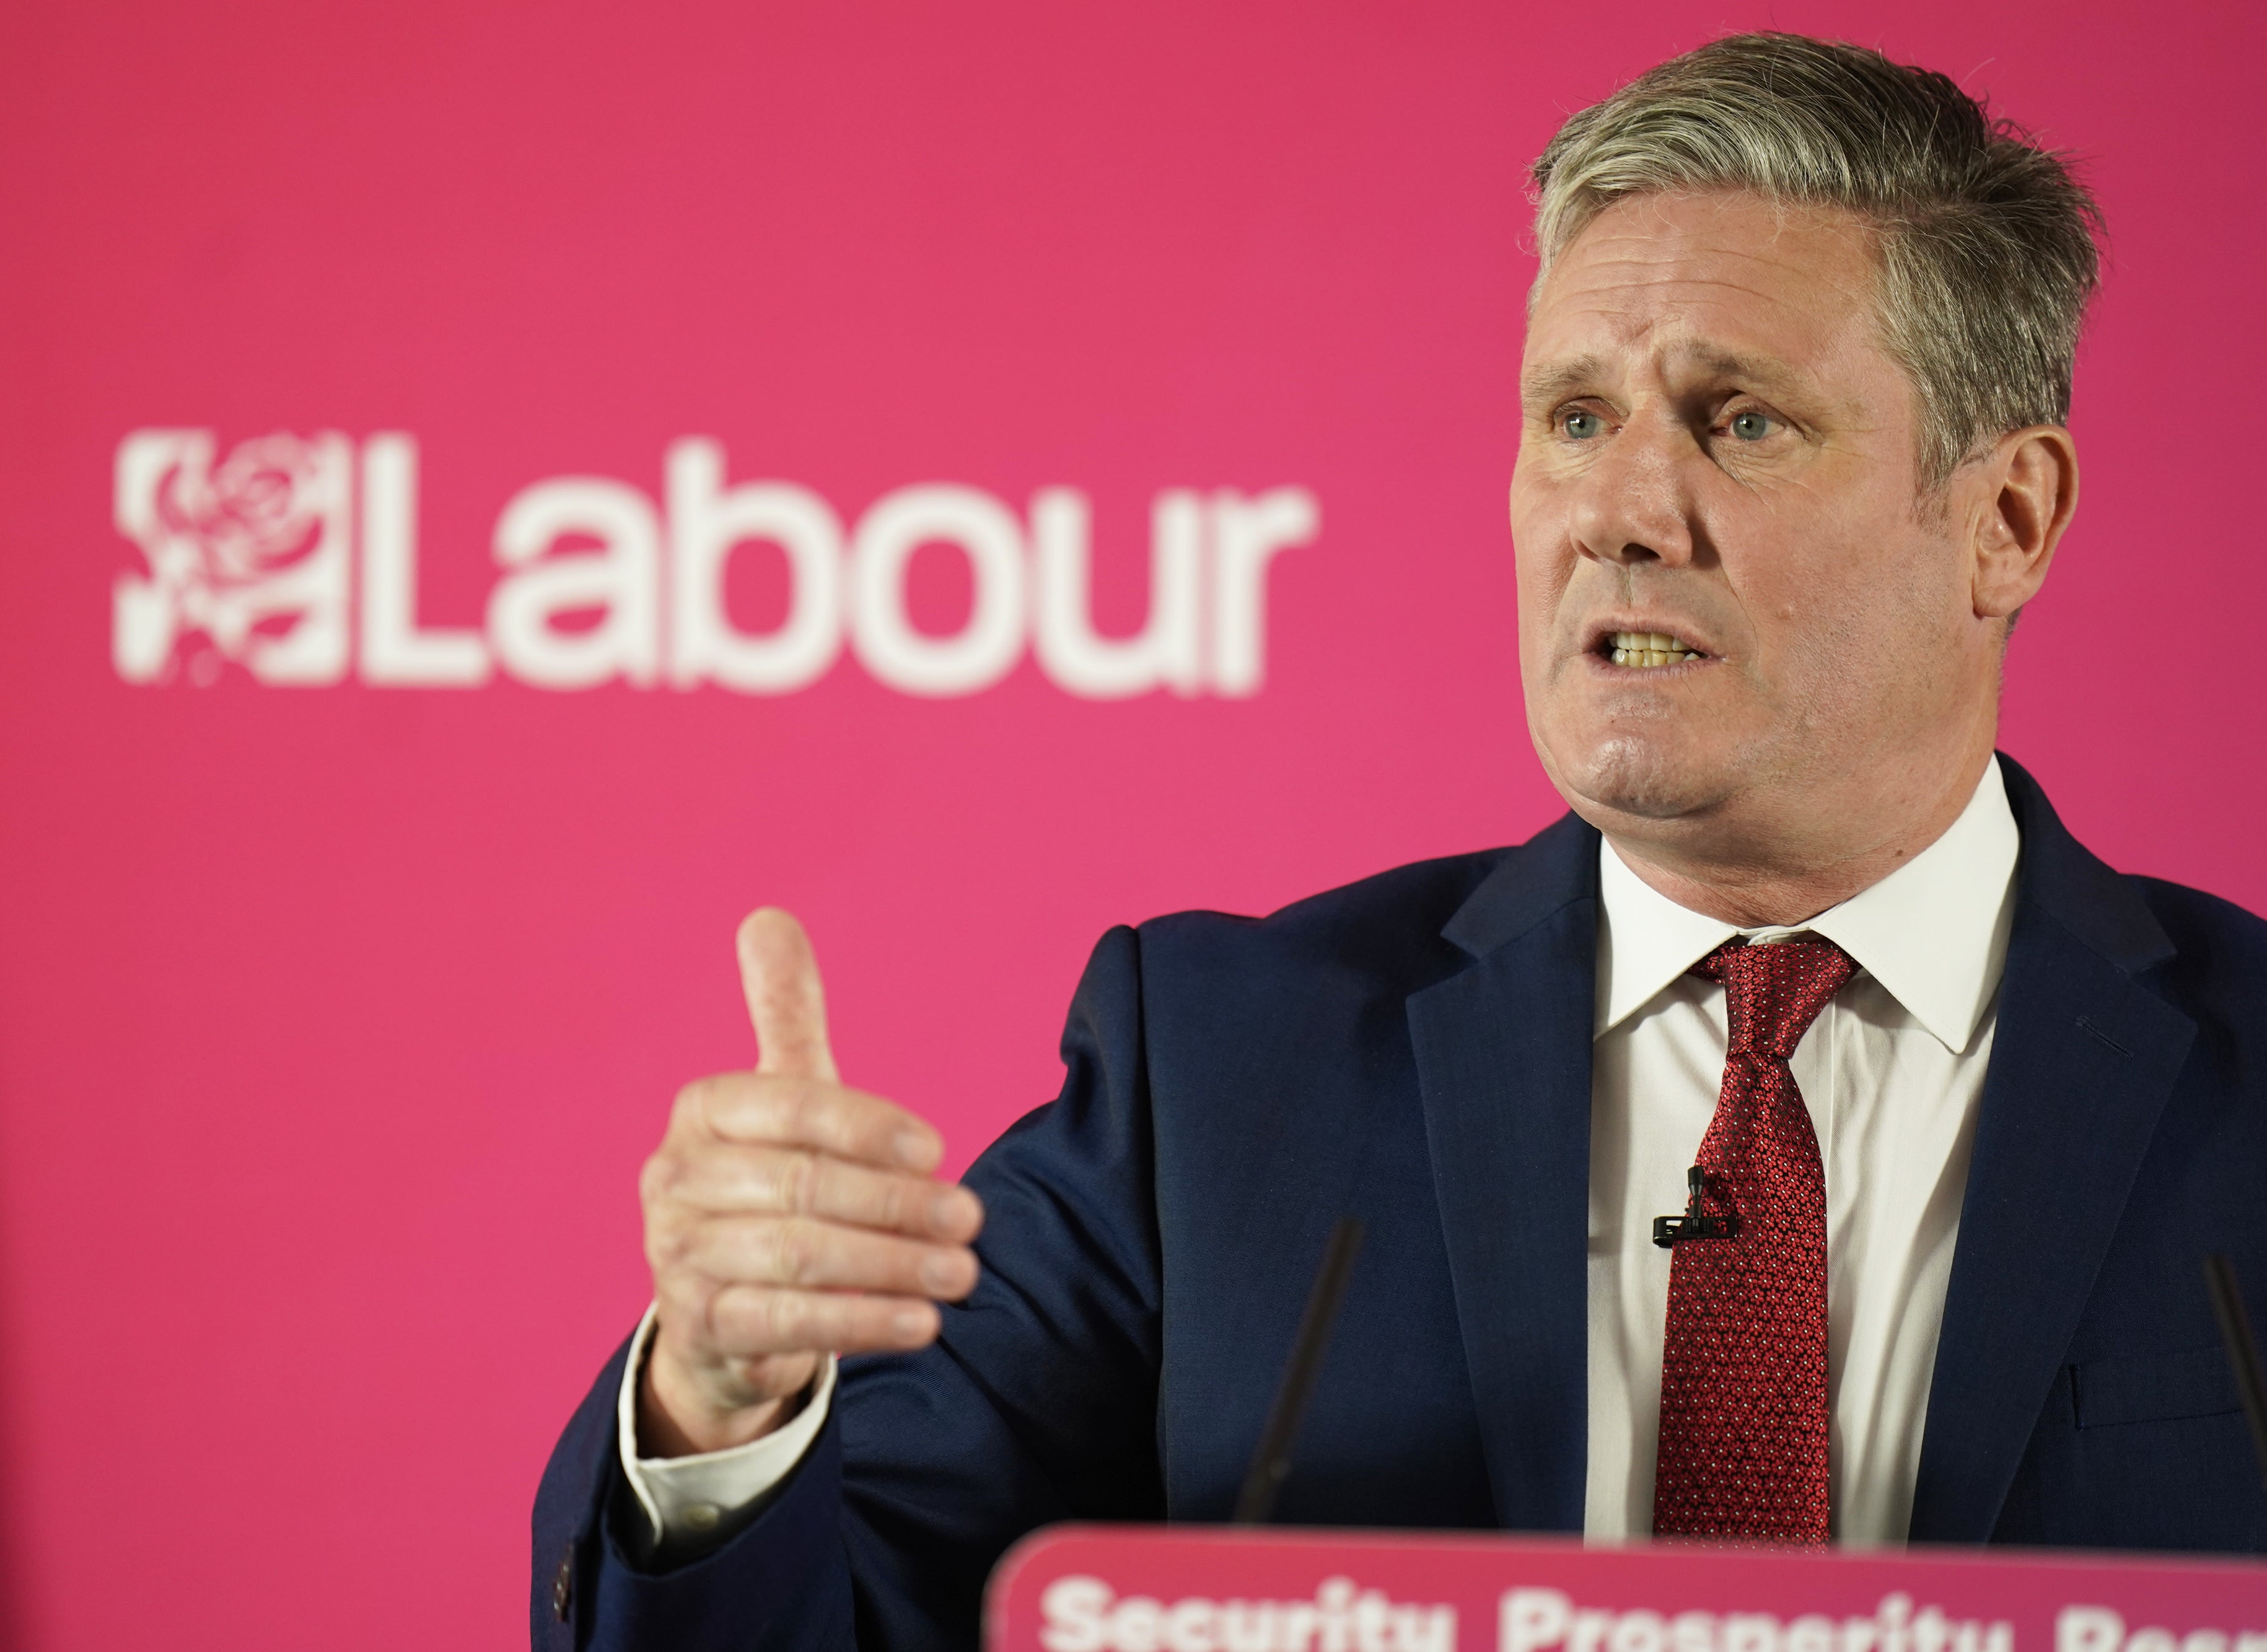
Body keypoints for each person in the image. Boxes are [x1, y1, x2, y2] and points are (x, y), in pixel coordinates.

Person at [532, 32, 2267, 1650]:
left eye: (1741, 420)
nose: (1617, 511)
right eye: (1575, 417)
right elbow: (857, 1605)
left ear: (2008, 517)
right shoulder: (1218, 1071)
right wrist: (724, 1405)